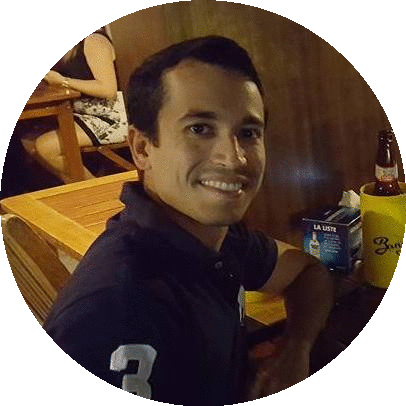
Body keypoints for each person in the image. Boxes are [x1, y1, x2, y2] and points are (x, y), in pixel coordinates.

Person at [44, 36, 334, 403]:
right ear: (142, 148)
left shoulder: (217, 238)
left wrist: (295, 348)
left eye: (248, 133)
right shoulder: (112, 310)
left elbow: (308, 272)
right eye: (200, 129)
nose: (234, 158)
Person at [25, 30, 127, 179]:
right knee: (29, 141)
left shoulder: (94, 41)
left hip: (109, 117)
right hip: (80, 113)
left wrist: (63, 81)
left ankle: (93, 188)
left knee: (45, 147)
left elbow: (108, 89)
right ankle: (79, 186)